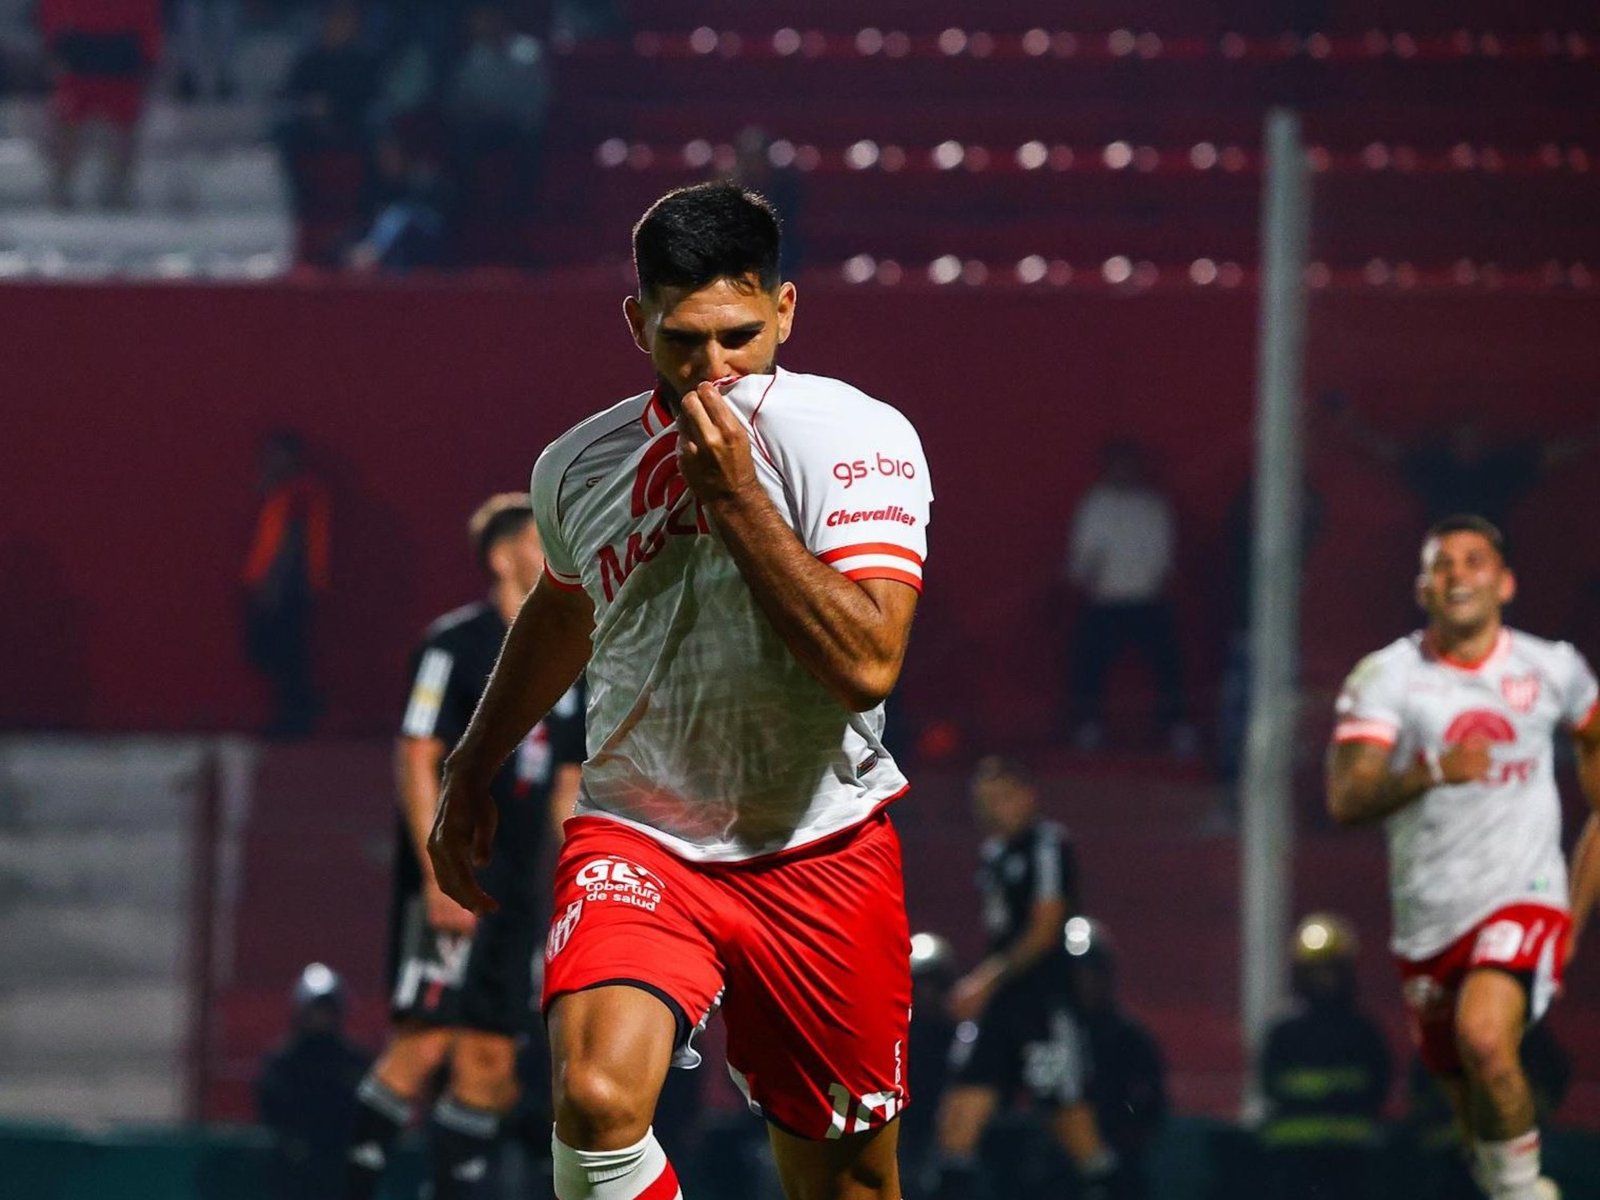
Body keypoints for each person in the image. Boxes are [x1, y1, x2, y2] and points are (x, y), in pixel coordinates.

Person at [428, 180, 933, 1200]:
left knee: (849, 1186)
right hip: (639, 836)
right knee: (598, 1100)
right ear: (636, 323)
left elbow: (867, 663)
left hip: (821, 847)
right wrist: (471, 767)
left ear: (785, 309)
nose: (712, 369)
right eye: (681, 341)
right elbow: (564, 612)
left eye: (739, 335)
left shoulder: (852, 437)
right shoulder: (577, 464)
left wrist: (738, 500)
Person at [1327, 513, 1600, 1200]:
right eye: (1441, 564)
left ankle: (1524, 1192)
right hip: (1428, 917)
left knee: (1484, 1037)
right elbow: (1346, 799)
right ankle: (1508, 1183)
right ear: (1422, 587)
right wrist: (1428, 771)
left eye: (1473, 561)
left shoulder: (1553, 669)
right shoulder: (1388, 676)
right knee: (1466, 1104)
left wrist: (1571, 914)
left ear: (1505, 583)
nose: (1456, 576)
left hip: (1523, 893)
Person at [347, 494, 585, 1200]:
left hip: (515, 885)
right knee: (424, 1043)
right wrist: (435, 870)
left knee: (491, 1061)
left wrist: (582, 881)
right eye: (543, 540)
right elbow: (418, 752)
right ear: (503, 554)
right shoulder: (452, 645)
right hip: (457, 868)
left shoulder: (566, 653)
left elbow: (567, 783)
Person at [926, 757, 1121, 1200]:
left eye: (1002, 797)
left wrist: (984, 982)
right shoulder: (994, 855)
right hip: (1000, 1009)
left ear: (1028, 795)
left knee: (1069, 1117)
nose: (993, 809)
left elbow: (1044, 930)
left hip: (1042, 1004)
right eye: (984, 800)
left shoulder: (1047, 845)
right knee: (958, 1120)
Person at [1061, 439, 1194, 757]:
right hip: (1105, 602)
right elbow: (1082, 556)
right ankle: (1087, 727)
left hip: (1148, 601)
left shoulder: (1153, 506)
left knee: (1169, 666)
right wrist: (1083, 581)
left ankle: (1175, 728)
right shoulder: (1095, 505)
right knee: (1089, 665)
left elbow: (1164, 555)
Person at [1256, 914, 1391, 1200]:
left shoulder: (1363, 1033)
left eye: (1330, 970)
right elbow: (1268, 1085)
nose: (1324, 980)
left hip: (1348, 1163)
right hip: (1294, 1166)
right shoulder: (1283, 1032)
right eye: (1315, 971)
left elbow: (1379, 1087)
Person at [1325, 392, 1600, 528]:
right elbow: (1384, 449)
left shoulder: (1500, 471)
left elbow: (1555, 455)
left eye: (1475, 434)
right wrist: (1346, 419)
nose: (1469, 441)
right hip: (1440, 568)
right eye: (1463, 433)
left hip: (1490, 571)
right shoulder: (1434, 469)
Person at [1062, 918, 1167, 1200]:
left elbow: (1150, 1107)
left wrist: (1114, 1147)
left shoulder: (1130, 1038)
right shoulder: (1046, 1035)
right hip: (1058, 1173)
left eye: (1090, 973)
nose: (1083, 983)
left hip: (1118, 1174)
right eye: (1075, 975)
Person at [256, 963, 372, 1200]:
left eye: (326, 1010)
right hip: (291, 1174)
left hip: (341, 1171)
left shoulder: (355, 1061)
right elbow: (272, 1109)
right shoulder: (282, 1062)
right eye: (315, 1009)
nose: (321, 1018)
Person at [242, 430, 331, 737]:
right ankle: (298, 710)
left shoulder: (299, 491)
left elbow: (292, 542)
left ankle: (296, 715)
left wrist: (273, 586)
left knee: (285, 655)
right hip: (283, 585)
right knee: (282, 654)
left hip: (288, 587)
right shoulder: (282, 492)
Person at [37, 0, 162, 209]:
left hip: (121, 49)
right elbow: (52, 9)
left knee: (123, 126)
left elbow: (148, 13)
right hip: (81, 46)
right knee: (69, 122)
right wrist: (52, 44)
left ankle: (119, 188)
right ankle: (62, 186)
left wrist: (151, 52)